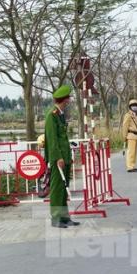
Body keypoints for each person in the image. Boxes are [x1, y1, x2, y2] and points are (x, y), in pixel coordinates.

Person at [45, 85, 80, 229]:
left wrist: (66, 156)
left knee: (64, 188)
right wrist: (58, 158)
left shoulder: (60, 114)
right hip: (57, 158)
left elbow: (63, 138)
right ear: (63, 100)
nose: (69, 100)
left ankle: (65, 217)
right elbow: (52, 140)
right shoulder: (51, 116)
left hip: (65, 157)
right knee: (57, 189)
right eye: (68, 98)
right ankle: (56, 218)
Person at [122, 99, 137, 172]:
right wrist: (124, 137)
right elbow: (125, 127)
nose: (134, 107)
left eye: (136, 105)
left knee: (134, 152)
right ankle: (130, 167)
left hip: (135, 135)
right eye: (133, 106)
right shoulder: (128, 115)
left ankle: (133, 165)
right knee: (131, 152)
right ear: (130, 107)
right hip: (130, 135)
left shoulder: (135, 115)